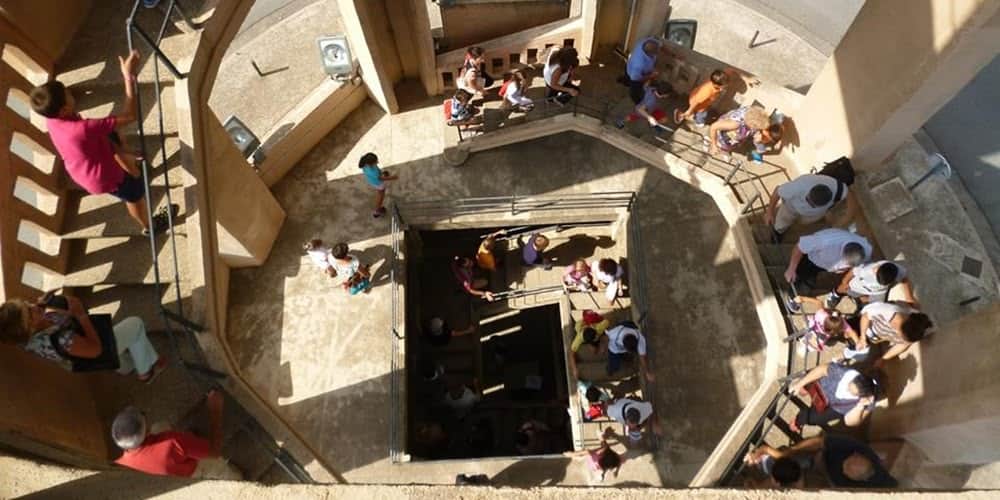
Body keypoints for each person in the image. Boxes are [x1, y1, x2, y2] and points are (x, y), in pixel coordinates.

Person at [31, 50, 174, 235]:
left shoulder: (52, 119)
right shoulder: (82, 129)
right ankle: (149, 227)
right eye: (67, 94)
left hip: (85, 162)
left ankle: (132, 164)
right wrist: (128, 76)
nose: (70, 93)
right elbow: (130, 116)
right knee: (134, 195)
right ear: (65, 109)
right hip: (101, 177)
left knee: (114, 136)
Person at [0, 294, 166, 382]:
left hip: (77, 356)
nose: (33, 306)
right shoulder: (61, 340)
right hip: (91, 350)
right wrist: (81, 316)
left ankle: (126, 367)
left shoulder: (25, 340)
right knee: (135, 324)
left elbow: (72, 302)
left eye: (26, 303)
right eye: (29, 312)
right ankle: (145, 373)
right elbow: (96, 349)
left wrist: (47, 304)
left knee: (120, 355)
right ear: (29, 329)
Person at [112, 391, 242, 479]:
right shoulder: (171, 442)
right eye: (142, 414)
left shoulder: (118, 466)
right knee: (215, 465)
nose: (144, 413)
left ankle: (190, 445)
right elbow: (215, 451)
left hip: (166, 478)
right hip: (189, 475)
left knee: (160, 426)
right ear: (146, 433)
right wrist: (215, 410)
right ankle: (236, 481)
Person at [746, 434, 897, 489]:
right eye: (847, 463)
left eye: (846, 472)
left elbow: (894, 486)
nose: (843, 469)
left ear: (861, 481)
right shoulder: (855, 447)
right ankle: (759, 486)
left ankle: (759, 487)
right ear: (856, 454)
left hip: (827, 483)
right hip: (819, 459)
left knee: (788, 474)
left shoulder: (881, 484)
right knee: (785, 469)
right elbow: (819, 442)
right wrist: (790, 452)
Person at [788, 361, 877, 431]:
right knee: (803, 388)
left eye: (851, 392)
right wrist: (801, 383)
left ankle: (799, 420)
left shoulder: (868, 402)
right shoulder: (841, 373)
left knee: (813, 418)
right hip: (821, 387)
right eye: (848, 386)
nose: (846, 389)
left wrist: (860, 406)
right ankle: (804, 387)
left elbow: (850, 422)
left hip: (835, 408)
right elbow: (821, 370)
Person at [784, 228, 872, 294]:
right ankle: (793, 293)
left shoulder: (867, 250)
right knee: (802, 279)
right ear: (842, 252)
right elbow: (800, 247)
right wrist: (791, 269)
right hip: (810, 260)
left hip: (826, 266)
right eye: (846, 264)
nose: (845, 267)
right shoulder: (825, 241)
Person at [765, 174, 850, 241]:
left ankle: (797, 222)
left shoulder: (839, 189)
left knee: (803, 222)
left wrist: (845, 220)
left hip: (813, 215)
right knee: (783, 221)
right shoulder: (799, 186)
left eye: (813, 206)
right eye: (808, 201)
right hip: (791, 207)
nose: (809, 206)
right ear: (810, 191)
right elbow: (777, 191)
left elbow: (851, 197)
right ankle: (778, 232)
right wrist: (770, 211)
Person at [852, 302, 932, 368]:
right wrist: (862, 337)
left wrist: (883, 359)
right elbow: (865, 316)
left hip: (876, 335)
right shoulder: (887, 311)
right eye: (902, 337)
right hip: (865, 326)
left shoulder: (915, 330)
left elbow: (903, 345)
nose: (901, 339)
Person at [828, 260, 916, 309]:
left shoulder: (898, 270)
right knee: (845, 289)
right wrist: (845, 281)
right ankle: (836, 293)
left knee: (875, 303)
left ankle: (861, 301)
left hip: (878, 292)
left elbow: (904, 279)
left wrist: (909, 298)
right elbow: (852, 272)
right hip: (858, 286)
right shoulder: (866, 269)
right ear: (876, 270)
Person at [790, 296, 856, 354]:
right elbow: (819, 302)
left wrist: (802, 298)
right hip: (816, 331)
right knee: (810, 337)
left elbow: (819, 302)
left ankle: (801, 338)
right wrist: (803, 298)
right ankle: (804, 342)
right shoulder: (824, 317)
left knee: (810, 337)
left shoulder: (826, 317)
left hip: (815, 331)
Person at [624, 36, 678, 107]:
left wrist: (673, 55)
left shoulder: (649, 41)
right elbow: (636, 79)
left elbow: (661, 47)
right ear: (649, 54)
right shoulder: (639, 64)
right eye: (656, 53)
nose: (658, 53)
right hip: (634, 75)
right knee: (634, 91)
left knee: (646, 84)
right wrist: (651, 76)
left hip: (642, 70)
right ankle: (639, 104)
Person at [358, 152, 398, 218]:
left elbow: (377, 172)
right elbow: (381, 179)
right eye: (376, 162)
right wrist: (393, 177)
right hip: (378, 183)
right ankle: (377, 210)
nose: (377, 162)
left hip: (373, 181)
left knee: (380, 192)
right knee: (381, 195)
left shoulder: (365, 164)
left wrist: (381, 173)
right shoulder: (373, 172)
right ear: (370, 164)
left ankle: (377, 209)